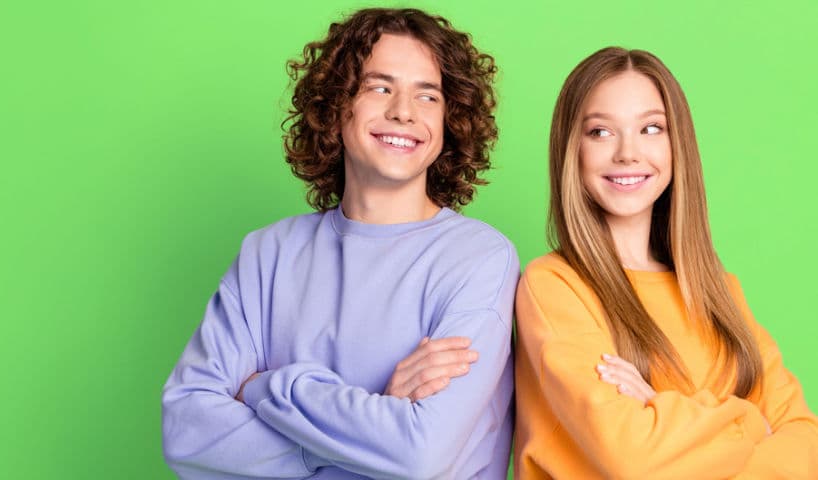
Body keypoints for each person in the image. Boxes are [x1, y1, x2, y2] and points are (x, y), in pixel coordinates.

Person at [162, 8, 518, 479]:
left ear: (451, 118)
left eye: (427, 95)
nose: (403, 112)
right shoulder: (267, 254)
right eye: (379, 87)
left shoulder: (480, 259)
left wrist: (267, 389)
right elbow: (186, 431)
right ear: (335, 104)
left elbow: (418, 456)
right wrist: (359, 433)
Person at [514, 46, 818, 479]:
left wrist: (659, 409)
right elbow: (633, 458)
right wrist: (752, 424)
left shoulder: (720, 291)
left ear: (678, 144)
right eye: (600, 132)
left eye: (651, 128)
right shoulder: (555, 286)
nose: (627, 153)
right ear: (572, 149)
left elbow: (806, 443)